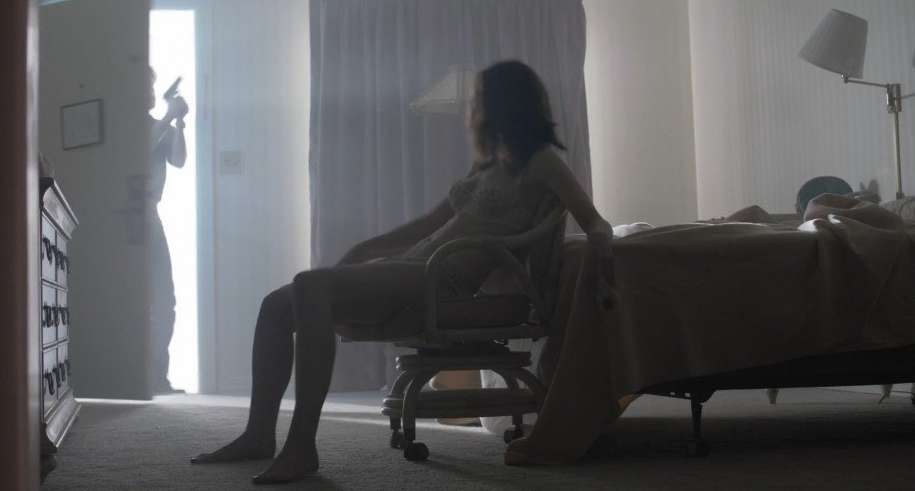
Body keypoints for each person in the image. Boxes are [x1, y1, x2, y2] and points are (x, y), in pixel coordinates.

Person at [190, 60, 614, 484]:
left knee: (309, 285)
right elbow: (431, 223)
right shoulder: (487, 166)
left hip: (442, 280)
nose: (473, 110)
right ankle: (258, 434)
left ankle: (301, 446)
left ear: (505, 104)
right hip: (414, 267)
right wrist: (366, 247)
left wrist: (600, 254)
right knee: (276, 305)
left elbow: (595, 221)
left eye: (480, 100)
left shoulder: (541, 161)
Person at [147, 67, 188, 395]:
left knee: (164, 299)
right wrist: (167, 116)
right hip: (132, 213)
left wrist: (179, 123)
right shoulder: (129, 126)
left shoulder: (157, 124)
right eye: (146, 87)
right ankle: (145, 375)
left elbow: (179, 160)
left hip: (150, 213)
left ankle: (157, 376)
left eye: (152, 86)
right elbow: (135, 151)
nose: (151, 92)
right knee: (147, 298)